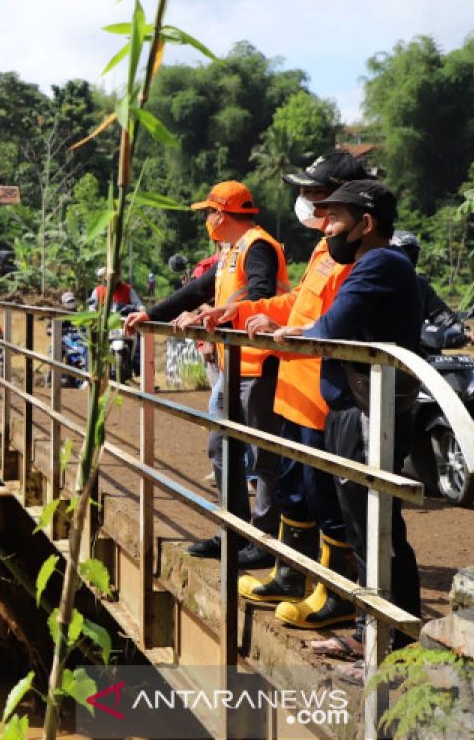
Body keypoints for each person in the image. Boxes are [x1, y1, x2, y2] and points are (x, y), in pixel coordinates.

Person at [197, 150, 373, 631]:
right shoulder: (322, 247)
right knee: (295, 490)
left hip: (320, 394)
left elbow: (333, 319)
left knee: (325, 496)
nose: (308, 203)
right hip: (292, 389)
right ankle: (290, 574)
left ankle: (333, 589)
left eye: (317, 195)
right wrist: (243, 311)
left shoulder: (353, 254)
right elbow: (298, 302)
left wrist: (281, 322)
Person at [272, 179, 423, 680]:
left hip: (367, 411)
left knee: (376, 527)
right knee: (364, 524)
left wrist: (303, 333)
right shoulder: (374, 263)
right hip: (355, 406)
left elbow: (330, 328)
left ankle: (391, 647)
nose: (327, 225)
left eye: (335, 217)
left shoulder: (381, 262)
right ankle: (370, 630)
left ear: (366, 223)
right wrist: (304, 330)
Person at [124, 181, 289, 566]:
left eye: (209, 213)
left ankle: (262, 541)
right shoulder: (231, 251)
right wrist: (151, 314)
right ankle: (231, 530)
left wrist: (221, 311)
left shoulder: (258, 245)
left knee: (262, 455)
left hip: (259, 363)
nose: (207, 221)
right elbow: (197, 290)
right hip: (234, 365)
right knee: (222, 446)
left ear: (223, 213)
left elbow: (261, 289)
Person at [389, 230, 474, 347]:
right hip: (385, 349)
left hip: (419, 346)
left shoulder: (420, 285)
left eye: (413, 254)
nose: (409, 258)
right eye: (404, 253)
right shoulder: (376, 282)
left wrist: (465, 331)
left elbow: (440, 313)